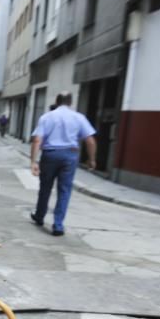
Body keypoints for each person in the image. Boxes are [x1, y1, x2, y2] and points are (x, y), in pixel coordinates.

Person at [29, 92, 97, 236]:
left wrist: (33, 161)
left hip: (50, 154)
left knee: (45, 187)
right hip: (70, 155)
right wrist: (91, 159)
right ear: (71, 102)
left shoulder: (47, 117)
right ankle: (58, 225)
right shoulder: (79, 117)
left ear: (57, 101)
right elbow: (90, 140)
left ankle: (39, 216)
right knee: (65, 190)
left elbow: (37, 140)